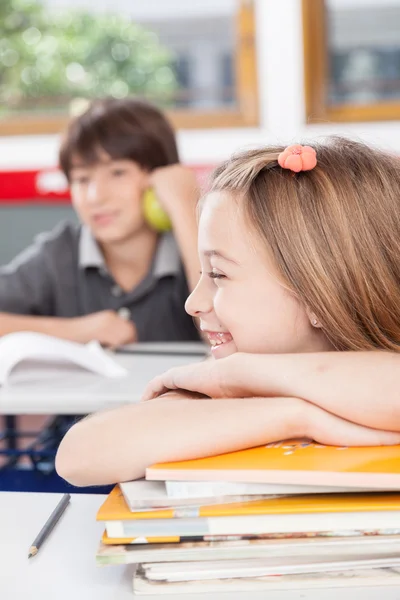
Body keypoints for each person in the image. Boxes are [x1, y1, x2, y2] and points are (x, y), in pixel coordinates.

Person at [56, 137, 400, 487]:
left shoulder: (236, 374)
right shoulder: (228, 381)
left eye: (219, 274)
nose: (193, 303)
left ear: (319, 293)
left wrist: (241, 372)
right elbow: (80, 455)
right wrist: (296, 415)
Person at [0, 97, 200, 345]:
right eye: (82, 179)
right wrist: (77, 331)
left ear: (162, 176)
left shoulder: (194, 251)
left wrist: (184, 209)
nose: (96, 197)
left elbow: (224, 331)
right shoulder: (58, 255)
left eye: (117, 173)